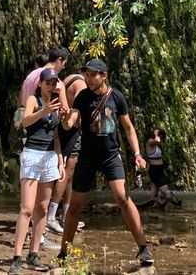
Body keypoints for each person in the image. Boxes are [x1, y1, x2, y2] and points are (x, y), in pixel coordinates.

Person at [58, 58, 153, 267]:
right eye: (87, 74)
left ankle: (143, 248)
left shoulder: (116, 97)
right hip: (87, 156)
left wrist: (137, 153)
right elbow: (71, 122)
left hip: (110, 155)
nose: (89, 78)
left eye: (93, 75)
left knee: (123, 198)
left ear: (104, 76)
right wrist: (66, 119)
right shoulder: (82, 97)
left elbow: (128, 128)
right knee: (74, 207)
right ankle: (64, 252)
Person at [10, 68, 66, 274]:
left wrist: (60, 160)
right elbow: (25, 122)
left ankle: (33, 254)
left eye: (54, 83)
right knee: (26, 208)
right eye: (48, 82)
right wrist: (45, 111)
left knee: (42, 209)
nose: (51, 86)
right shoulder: (34, 100)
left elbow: (57, 135)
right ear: (40, 84)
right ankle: (16, 256)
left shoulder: (57, 104)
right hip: (32, 154)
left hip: (50, 156)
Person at [49, 69, 87, 232]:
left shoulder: (70, 78)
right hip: (70, 129)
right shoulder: (81, 85)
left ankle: (67, 216)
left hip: (65, 126)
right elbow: (74, 111)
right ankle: (51, 216)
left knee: (70, 175)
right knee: (66, 172)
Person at [139, 128, 181, 209]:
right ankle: (177, 204)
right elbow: (157, 141)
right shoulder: (150, 142)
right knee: (166, 192)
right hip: (155, 170)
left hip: (159, 170)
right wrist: (156, 134)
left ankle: (153, 208)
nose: (160, 135)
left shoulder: (157, 146)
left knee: (153, 194)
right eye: (158, 134)